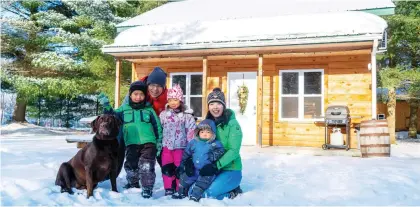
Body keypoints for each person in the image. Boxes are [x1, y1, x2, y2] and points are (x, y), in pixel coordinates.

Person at [98, 80, 163, 199]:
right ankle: (133, 183)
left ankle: (147, 188)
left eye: (141, 94)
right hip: (131, 143)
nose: (138, 97)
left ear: (145, 96)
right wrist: (107, 105)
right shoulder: (124, 109)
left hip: (149, 143)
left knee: (147, 165)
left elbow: (157, 126)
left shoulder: (149, 110)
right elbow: (111, 116)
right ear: (130, 95)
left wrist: (158, 141)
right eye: (135, 94)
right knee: (131, 164)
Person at [196, 88, 244, 200]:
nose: (215, 107)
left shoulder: (232, 124)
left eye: (219, 103)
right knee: (194, 191)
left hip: (231, 170)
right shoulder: (208, 124)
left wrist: (215, 166)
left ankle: (233, 192)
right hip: (214, 169)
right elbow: (199, 143)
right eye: (212, 104)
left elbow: (234, 151)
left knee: (208, 194)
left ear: (224, 105)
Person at [172, 119, 225, 202]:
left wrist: (213, 156)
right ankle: (181, 192)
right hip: (194, 168)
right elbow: (186, 153)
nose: (205, 134)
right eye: (202, 132)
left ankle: (195, 195)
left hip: (207, 170)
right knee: (184, 178)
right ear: (198, 132)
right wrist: (184, 164)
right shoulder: (193, 143)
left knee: (202, 182)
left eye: (208, 132)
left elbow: (221, 150)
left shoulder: (215, 143)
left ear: (213, 134)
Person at [159, 84, 196, 196]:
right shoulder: (164, 115)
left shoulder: (186, 116)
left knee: (180, 168)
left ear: (180, 100)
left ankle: (180, 186)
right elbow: (159, 129)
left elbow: (191, 132)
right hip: (166, 147)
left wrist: (191, 147)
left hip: (181, 147)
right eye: (170, 100)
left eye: (175, 99)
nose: (173, 102)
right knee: (167, 167)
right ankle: (169, 188)